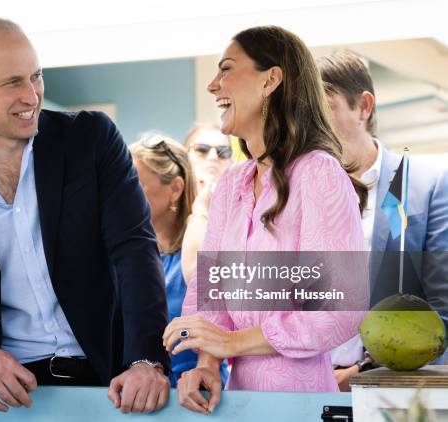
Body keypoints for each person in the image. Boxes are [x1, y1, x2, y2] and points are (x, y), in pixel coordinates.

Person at [0, 17, 170, 414]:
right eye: (13, 83)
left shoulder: (91, 139)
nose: (32, 96)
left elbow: (135, 250)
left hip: (114, 384)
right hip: (12, 397)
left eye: (37, 77)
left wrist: (146, 360)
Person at [162, 26, 369, 414]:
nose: (213, 85)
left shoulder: (318, 173)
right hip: (239, 402)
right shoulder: (232, 185)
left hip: (302, 405)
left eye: (226, 69)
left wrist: (233, 343)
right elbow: (212, 291)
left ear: (271, 80)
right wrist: (207, 363)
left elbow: (342, 309)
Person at [317, 50, 448, 390]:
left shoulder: (423, 186)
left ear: (363, 106)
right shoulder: (296, 191)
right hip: (305, 386)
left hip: (388, 388)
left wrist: (364, 371)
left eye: (324, 109)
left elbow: (441, 308)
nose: (313, 125)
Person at [130, 134, 229, 388]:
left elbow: (204, 279)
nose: (123, 196)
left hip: (197, 391)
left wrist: (201, 211)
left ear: (175, 188)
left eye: (134, 185)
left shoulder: (200, 242)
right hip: (143, 394)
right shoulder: (134, 257)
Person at [180, 124, 234, 284]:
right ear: (185, 155)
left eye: (223, 151)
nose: (213, 156)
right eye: (202, 149)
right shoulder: (168, 205)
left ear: (231, 161)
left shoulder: (241, 212)